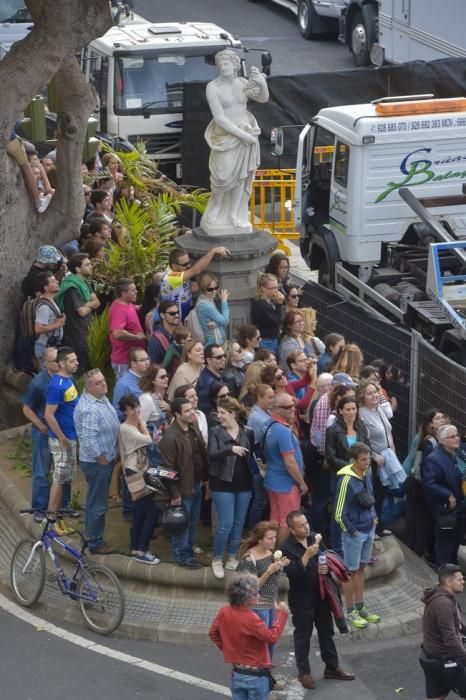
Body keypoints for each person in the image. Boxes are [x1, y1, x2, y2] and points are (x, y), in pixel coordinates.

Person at [282, 510, 355, 690]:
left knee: (326, 632)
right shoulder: (286, 548)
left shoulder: (315, 537)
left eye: (306, 523)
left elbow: (325, 558)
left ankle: (332, 667)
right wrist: (306, 555)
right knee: (303, 636)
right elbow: (294, 575)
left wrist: (326, 568)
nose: (306, 527)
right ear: (292, 530)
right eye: (301, 525)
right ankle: (304, 672)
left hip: (322, 595)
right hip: (302, 599)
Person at [201, 49, 269, 232]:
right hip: (226, 137)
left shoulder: (243, 83)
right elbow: (220, 119)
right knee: (221, 177)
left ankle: (234, 213)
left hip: (246, 133)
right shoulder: (213, 87)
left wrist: (261, 82)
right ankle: (216, 206)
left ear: (235, 65)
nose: (223, 67)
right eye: (220, 65)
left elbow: (263, 98)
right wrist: (243, 135)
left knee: (242, 176)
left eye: (227, 64)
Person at [209, 573, 288, 700]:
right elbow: (272, 637)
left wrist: (227, 648)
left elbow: (213, 633)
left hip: (237, 674)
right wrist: (280, 614)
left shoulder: (224, 611)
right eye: (255, 593)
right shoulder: (251, 619)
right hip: (256, 677)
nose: (259, 595)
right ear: (245, 597)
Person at [237, 521, 289, 688]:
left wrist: (280, 566)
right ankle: (261, 681)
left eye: (275, 537)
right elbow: (251, 588)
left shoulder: (270, 552)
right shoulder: (248, 559)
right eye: (269, 538)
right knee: (261, 646)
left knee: (270, 644)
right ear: (259, 540)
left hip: (270, 604)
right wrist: (269, 571)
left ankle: (266, 678)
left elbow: (272, 581)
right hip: (256, 608)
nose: (274, 541)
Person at [73, 369, 120, 555]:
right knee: (97, 503)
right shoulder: (90, 409)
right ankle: (94, 543)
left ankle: (94, 538)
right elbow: (89, 440)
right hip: (97, 463)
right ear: (88, 387)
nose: (104, 384)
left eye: (103, 381)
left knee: (97, 500)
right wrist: (102, 460)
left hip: (104, 459)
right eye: (99, 383)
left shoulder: (100, 397)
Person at [334, 442, 381, 629]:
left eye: (368, 458)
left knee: (360, 570)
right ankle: (351, 611)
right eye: (363, 460)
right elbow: (339, 513)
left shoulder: (367, 473)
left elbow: (370, 499)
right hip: (355, 533)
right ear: (353, 460)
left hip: (368, 529)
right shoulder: (345, 480)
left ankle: (361, 608)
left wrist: (374, 518)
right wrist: (352, 530)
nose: (367, 462)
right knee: (349, 573)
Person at [159, 397, 209, 569]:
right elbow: (168, 469)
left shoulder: (193, 428)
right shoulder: (170, 437)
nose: (191, 412)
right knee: (181, 525)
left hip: (196, 483)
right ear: (177, 414)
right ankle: (181, 558)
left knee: (193, 522)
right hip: (182, 489)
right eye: (187, 411)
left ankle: (189, 553)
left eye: (191, 409)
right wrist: (175, 494)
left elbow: (202, 454)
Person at [209, 398, 254, 579]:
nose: (219, 416)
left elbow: (252, 456)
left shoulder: (247, 432)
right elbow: (212, 455)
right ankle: (217, 558)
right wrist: (231, 449)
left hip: (244, 484)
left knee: (238, 523)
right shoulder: (215, 432)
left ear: (234, 414)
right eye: (218, 412)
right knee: (225, 524)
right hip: (222, 483)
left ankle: (233, 557)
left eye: (223, 413)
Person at [21, 348, 64, 522]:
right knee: (42, 471)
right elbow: (26, 408)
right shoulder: (38, 383)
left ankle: (62, 506)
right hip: (44, 433)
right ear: (46, 363)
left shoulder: (65, 379)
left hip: (61, 432)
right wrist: (40, 426)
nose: (59, 363)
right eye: (55, 360)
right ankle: (39, 508)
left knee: (62, 470)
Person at [325, 396, 370, 557]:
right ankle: (338, 548)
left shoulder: (361, 426)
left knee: (360, 508)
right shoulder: (333, 430)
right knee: (340, 513)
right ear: (340, 411)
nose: (351, 412)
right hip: (342, 477)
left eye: (354, 409)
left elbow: (367, 448)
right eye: (348, 409)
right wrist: (351, 467)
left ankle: (360, 543)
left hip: (361, 476)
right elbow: (330, 456)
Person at [118, 394, 160, 564]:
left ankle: (135, 548)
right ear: (125, 411)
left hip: (139, 471)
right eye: (131, 408)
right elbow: (148, 440)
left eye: (137, 407)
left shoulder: (132, 426)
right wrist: (143, 424)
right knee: (152, 513)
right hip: (134, 473)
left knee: (140, 513)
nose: (136, 411)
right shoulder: (126, 429)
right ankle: (142, 551)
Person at [263, 393, 308, 544]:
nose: (292, 409)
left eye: (293, 405)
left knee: (275, 519)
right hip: (286, 484)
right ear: (275, 409)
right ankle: (279, 554)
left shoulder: (268, 424)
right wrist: (301, 482)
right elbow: (289, 462)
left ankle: (270, 552)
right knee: (287, 522)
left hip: (272, 479)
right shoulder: (283, 431)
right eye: (287, 407)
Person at [44, 346, 80, 535]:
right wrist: (62, 438)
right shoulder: (56, 385)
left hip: (70, 438)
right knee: (58, 480)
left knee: (64, 480)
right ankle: (50, 521)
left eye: (76, 360)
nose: (77, 363)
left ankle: (59, 518)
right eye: (72, 361)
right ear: (62, 364)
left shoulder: (69, 380)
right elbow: (49, 415)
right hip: (62, 441)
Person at [358, 380, 399, 537]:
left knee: (382, 493)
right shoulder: (361, 413)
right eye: (370, 393)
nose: (374, 395)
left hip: (387, 458)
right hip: (373, 461)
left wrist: (392, 451)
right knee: (372, 493)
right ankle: (371, 527)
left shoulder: (379, 409)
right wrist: (374, 456)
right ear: (362, 396)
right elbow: (362, 439)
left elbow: (388, 431)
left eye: (375, 392)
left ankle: (380, 526)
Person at [420, 564, 466, 700]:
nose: (463, 581)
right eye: (460, 579)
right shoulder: (443, 604)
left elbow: (458, 625)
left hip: (430, 658)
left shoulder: (443, 596)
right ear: (448, 582)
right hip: (444, 662)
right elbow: (450, 638)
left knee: (437, 696)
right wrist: (464, 658)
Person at [405, 409, 446, 561]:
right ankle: (422, 553)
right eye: (438, 418)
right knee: (424, 523)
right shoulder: (429, 442)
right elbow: (425, 469)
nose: (442, 420)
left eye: (443, 418)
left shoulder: (435, 440)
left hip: (425, 489)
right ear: (430, 424)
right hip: (423, 490)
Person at [423, 424, 464, 567]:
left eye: (457, 435)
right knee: (445, 542)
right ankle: (444, 573)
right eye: (452, 436)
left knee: (457, 539)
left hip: (461, 505)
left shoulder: (459, 454)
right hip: (446, 508)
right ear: (443, 441)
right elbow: (429, 483)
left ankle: (454, 569)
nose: (457, 438)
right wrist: (448, 494)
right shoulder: (433, 459)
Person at [55, 253, 101, 372]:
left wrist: (87, 305)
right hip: (77, 333)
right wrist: (89, 305)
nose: (91, 266)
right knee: (80, 366)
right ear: (77, 269)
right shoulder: (72, 287)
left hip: (88, 330)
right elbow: (81, 311)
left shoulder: (84, 283)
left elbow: (97, 302)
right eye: (87, 265)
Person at [160, 246, 230, 322]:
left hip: (185, 319)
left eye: (189, 262)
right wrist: (212, 252)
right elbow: (196, 270)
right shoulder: (170, 278)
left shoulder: (179, 272)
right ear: (174, 266)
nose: (189, 266)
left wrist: (191, 285)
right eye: (185, 264)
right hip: (175, 323)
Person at [247, 384, 274, 529]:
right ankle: (253, 531)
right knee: (260, 500)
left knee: (262, 500)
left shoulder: (264, 413)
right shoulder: (258, 417)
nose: (272, 400)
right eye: (269, 397)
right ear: (259, 398)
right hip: (259, 463)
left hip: (262, 460)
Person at [310, 373, 356, 456]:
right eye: (347, 388)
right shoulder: (324, 404)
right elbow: (323, 433)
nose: (350, 390)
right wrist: (326, 457)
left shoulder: (342, 401)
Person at [108, 278, 146, 379]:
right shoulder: (119, 310)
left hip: (132, 359)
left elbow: (135, 308)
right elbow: (117, 333)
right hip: (124, 361)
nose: (136, 292)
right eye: (133, 290)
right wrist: (137, 337)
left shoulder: (128, 304)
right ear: (124, 293)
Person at [138, 365, 170, 466]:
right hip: (151, 449)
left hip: (162, 447)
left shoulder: (160, 397)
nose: (166, 379)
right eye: (162, 377)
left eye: (166, 376)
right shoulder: (146, 399)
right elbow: (139, 423)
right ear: (153, 381)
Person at [33, 271, 65, 364]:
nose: (57, 282)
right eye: (53, 281)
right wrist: (58, 324)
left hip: (50, 347)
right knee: (48, 377)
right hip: (45, 348)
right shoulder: (44, 307)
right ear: (46, 287)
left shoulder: (51, 301)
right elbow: (38, 329)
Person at [112, 347, 151, 417]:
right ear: (133, 364)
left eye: (148, 359)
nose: (147, 363)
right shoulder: (123, 384)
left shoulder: (149, 378)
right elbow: (117, 412)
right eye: (142, 360)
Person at [251, 273, 284, 354]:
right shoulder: (262, 305)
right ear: (263, 288)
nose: (275, 291)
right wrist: (279, 304)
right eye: (272, 288)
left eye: (276, 287)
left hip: (272, 338)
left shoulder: (269, 300)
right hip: (267, 341)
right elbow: (276, 322)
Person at [195, 272, 230, 345]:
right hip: (214, 342)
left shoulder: (206, 298)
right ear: (203, 288)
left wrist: (217, 323)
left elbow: (220, 319)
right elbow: (225, 321)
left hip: (215, 340)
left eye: (216, 288)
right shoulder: (205, 306)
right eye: (210, 289)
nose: (214, 291)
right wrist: (224, 301)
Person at [196, 343, 227, 414]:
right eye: (219, 357)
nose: (223, 359)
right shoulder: (206, 383)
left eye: (224, 356)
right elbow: (206, 411)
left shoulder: (217, 375)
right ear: (209, 360)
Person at [147, 300, 180, 365]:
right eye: (172, 313)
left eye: (178, 312)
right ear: (162, 315)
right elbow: (153, 366)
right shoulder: (155, 341)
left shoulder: (181, 333)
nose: (177, 315)